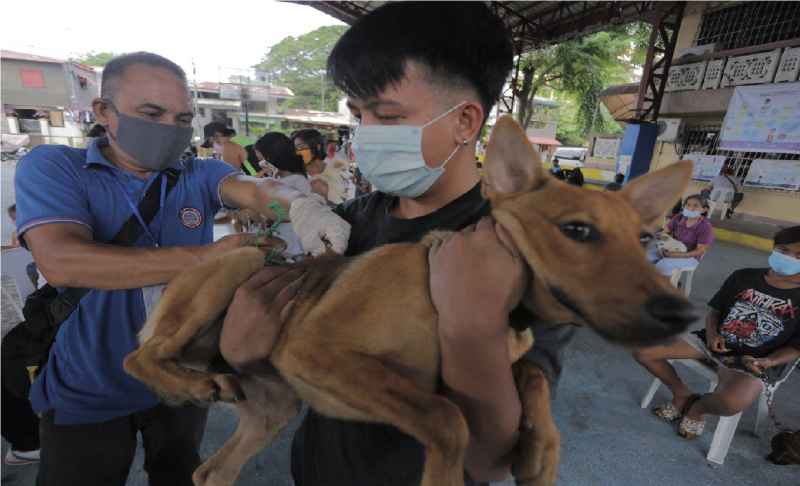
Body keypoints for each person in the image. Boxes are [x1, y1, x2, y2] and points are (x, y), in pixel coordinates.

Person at [218, 3, 576, 485]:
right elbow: (303, 361)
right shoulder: (346, 227)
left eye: (386, 116)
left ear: (466, 122)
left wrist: (469, 329)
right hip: (316, 468)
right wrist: (245, 348)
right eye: (358, 114)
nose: (365, 134)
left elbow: (492, 460)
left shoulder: (523, 253)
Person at [13, 51, 347, 486]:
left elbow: (257, 187)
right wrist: (207, 257)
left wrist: (301, 204)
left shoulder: (196, 174)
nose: (169, 128)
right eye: (151, 113)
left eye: (182, 117)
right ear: (103, 112)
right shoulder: (57, 166)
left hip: (184, 380)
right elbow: (61, 261)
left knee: (178, 473)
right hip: (88, 386)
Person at [634, 226, 800, 439]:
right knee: (643, 351)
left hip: (752, 361)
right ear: (774, 248)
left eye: (798, 256)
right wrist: (712, 335)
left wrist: (767, 362)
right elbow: (716, 310)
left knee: (732, 403)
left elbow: (796, 347)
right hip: (709, 343)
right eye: (784, 250)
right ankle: (682, 394)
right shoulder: (744, 277)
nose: (789, 258)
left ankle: (697, 409)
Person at [649, 194, 714, 277]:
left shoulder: (705, 227)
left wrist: (677, 255)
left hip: (690, 256)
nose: (690, 208)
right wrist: (661, 242)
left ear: (704, 209)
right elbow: (665, 233)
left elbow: (700, 251)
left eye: (696, 206)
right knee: (645, 256)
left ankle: (666, 284)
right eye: (688, 205)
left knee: (663, 265)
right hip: (670, 249)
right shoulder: (679, 217)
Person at [292, 128, 353, 204]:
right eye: (295, 149)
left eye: (301, 147)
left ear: (317, 147)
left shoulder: (336, 168)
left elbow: (343, 198)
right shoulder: (295, 174)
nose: (298, 152)